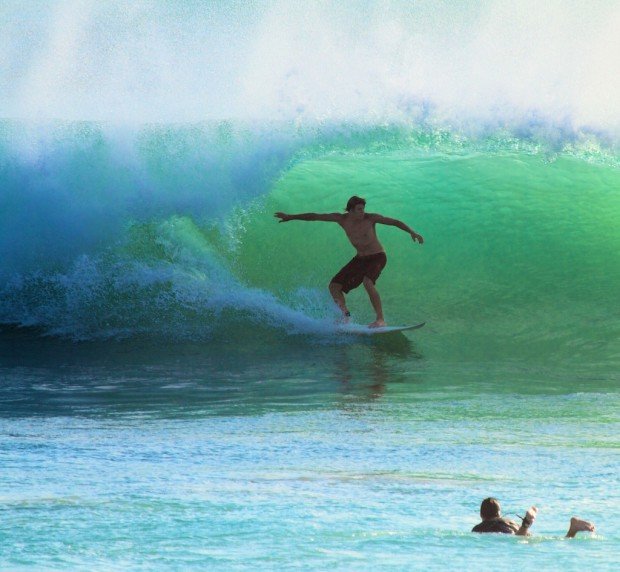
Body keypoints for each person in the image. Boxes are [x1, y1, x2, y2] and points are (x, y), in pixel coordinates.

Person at [274, 196, 423, 327]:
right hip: (360, 258)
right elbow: (315, 216)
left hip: (377, 256)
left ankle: (380, 319)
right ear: (350, 210)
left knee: (367, 282)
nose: (362, 212)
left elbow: (395, 222)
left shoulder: (371, 218)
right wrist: (291, 216)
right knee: (334, 286)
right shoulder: (342, 219)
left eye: (363, 209)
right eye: (359, 209)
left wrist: (412, 232)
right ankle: (346, 317)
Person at [472, 497, 596, 537]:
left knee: (519, 538)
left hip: (505, 532)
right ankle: (573, 528)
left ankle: (526, 524)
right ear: (499, 513)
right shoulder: (508, 520)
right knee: (527, 536)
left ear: (481, 515)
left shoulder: (478, 527)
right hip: (514, 527)